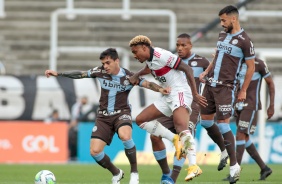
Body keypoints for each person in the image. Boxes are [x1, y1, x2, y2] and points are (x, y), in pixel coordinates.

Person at [45, 48, 175, 184]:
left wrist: (161, 89)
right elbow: (81, 74)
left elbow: (147, 84)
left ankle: (134, 173)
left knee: (125, 136)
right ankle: (117, 173)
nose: (105, 66)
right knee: (95, 152)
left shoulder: (129, 77)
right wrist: (59, 74)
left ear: (117, 61)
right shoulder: (99, 72)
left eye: (108, 63)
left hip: (121, 113)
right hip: (103, 117)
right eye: (103, 64)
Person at [128, 35, 207, 183]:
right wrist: (137, 74)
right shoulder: (150, 60)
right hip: (167, 95)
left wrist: (195, 93)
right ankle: (175, 139)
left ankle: (194, 165)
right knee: (140, 120)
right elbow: (149, 67)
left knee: (181, 127)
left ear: (144, 48)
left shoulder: (161, 55)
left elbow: (187, 68)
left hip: (180, 92)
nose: (134, 55)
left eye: (135, 51)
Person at [199, 5, 255, 184]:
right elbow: (216, 56)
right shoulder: (222, 35)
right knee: (206, 121)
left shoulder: (245, 41)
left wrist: (244, 89)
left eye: (224, 20)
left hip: (226, 87)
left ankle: (234, 165)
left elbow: (251, 68)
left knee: (223, 124)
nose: (221, 24)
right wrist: (206, 71)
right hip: (210, 84)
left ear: (233, 19)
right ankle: (223, 150)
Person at [223, 57, 275, 181]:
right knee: (245, 139)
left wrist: (271, 105)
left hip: (251, 105)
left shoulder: (259, 64)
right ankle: (264, 168)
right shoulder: (236, 63)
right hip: (239, 106)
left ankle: (235, 172)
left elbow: (270, 83)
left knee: (240, 135)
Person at [68, 96, 88, 161]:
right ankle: (72, 156)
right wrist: (71, 125)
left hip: (77, 127)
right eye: (85, 100)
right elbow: (75, 117)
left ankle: (74, 156)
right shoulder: (77, 106)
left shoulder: (81, 107)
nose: (86, 101)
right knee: (74, 142)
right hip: (75, 127)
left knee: (77, 142)